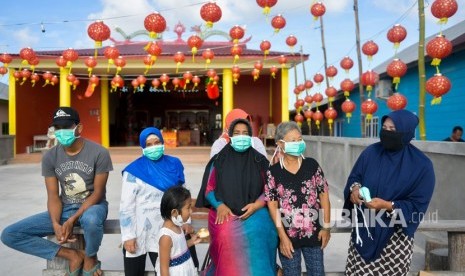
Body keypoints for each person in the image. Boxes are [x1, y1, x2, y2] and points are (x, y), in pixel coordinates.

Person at [1, 106, 113, 276]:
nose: (61, 132)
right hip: (65, 208)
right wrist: (55, 223)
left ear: (79, 128)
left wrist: (73, 219)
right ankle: (72, 255)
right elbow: (53, 196)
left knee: (90, 220)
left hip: (93, 206)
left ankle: (90, 257)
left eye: (66, 127)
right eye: (57, 128)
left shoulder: (99, 153)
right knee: (10, 234)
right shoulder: (50, 157)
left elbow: (98, 193)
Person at [343, 109, 435, 275]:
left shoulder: (422, 166)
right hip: (365, 231)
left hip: (395, 242)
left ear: (406, 132)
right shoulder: (371, 153)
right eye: (384, 128)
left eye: (392, 130)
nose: (386, 132)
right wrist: (355, 189)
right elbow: (355, 177)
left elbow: (417, 205)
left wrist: (387, 205)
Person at [196, 118, 278, 276]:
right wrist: (219, 205)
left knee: (263, 230)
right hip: (225, 211)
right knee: (226, 235)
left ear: (251, 136)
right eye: (237, 133)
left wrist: (257, 205)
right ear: (230, 136)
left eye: (245, 133)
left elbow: (269, 189)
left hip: (255, 210)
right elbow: (209, 189)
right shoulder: (219, 160)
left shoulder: (260, 160)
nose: (241, 137)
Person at [265, 121, 331, 276]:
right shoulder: (273, 172)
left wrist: (326, 227)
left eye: (299, 139)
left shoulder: (312, 166)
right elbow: (272, 206)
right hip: (288, 237)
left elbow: (324, 195)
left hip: (313, 234)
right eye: (292, 140)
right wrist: (282, 237)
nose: (297, 143)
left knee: (317, 272)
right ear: (280, 144)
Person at [119, 127, 187, 275]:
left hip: (167, 230)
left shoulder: (174, 164)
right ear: (143, 147)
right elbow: (126, 206)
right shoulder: (133, 171)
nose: (154, 147)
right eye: (149, 145)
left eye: (157, 142)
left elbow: (183, 198)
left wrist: (186, 222)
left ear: (162, 143)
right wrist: (128, 236)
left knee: (166, 271)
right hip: (139, 232)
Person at [156, 186, 201, 276]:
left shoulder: (178, 226)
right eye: (188, 208)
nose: (191, 211)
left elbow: (178, 248)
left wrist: (191, 242)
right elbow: (164, 269)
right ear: (174, 213)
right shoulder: (166, 237)